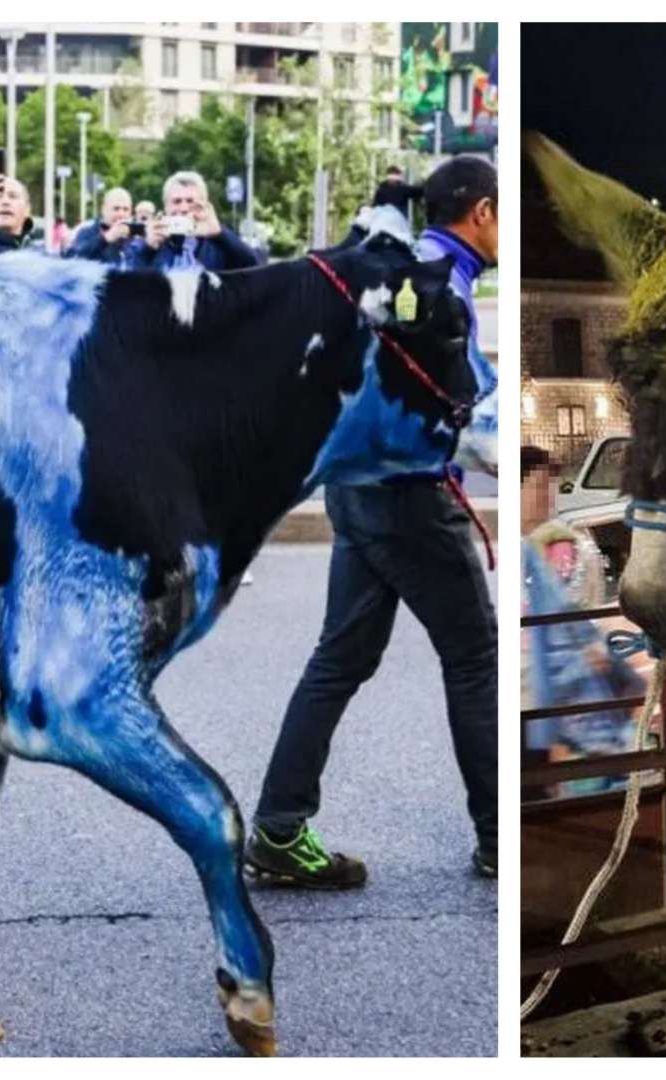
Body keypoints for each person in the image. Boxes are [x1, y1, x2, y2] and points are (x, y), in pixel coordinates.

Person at [243, 155, 500, 887]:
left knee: (341, 659)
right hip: (413, 499)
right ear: (481, 212)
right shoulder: (440, 283)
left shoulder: (390, 268)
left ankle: (280, 828)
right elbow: (464, 412)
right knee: (476, 659)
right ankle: (497, 837)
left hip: (353, 492)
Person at [141, 171, 258, 272]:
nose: (184, 208)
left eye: (190, 201)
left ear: (204, 207)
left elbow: (254, 266)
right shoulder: (154, 242)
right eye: (176, 201)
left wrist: (220, 233)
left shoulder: (219, 243)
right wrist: (148, 250)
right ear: (165, 207)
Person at [64, 187, 141, 268]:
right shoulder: (87, 231)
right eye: (116, 209)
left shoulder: (137, 237)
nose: (121, 214)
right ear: (104, 209)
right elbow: (74, 260)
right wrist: (104, 240)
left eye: (126, 209)